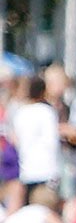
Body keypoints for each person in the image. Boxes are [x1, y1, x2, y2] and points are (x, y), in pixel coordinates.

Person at [10, 74, 62, 209]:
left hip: (26, 169)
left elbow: (17, 139)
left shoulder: (21, 112)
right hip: (46, 168)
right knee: (46, 210)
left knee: (29, 209)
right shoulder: (47, 112)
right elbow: (52, 141)